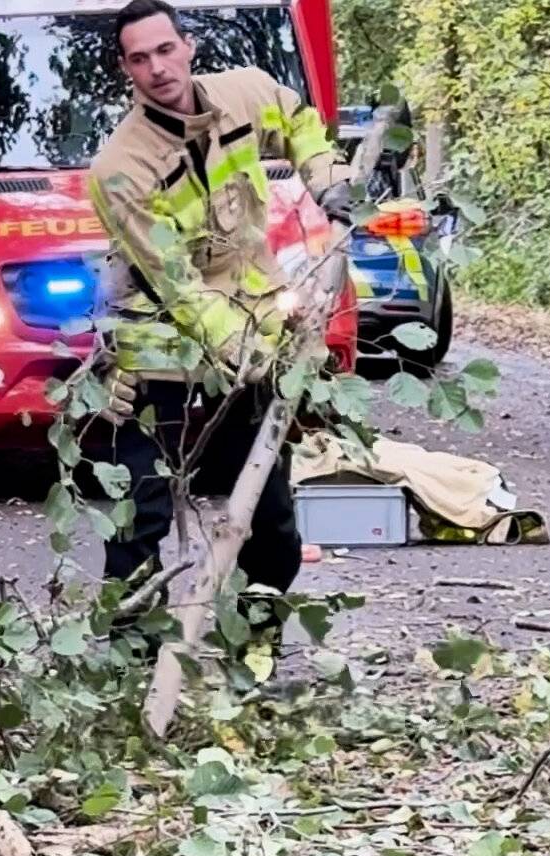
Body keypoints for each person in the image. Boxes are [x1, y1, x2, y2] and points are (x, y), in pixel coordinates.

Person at [84, 0, 352, 656]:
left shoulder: (245, 93)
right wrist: (247, 348)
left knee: (268, 515)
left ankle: (254, 649)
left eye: (164, 50)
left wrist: (330, 180)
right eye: (140, 59)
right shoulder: (120, 169)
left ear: (188, 45)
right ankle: (130, 665)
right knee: (139, 516)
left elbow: (295, 116)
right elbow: (178, 286)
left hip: (255, 327)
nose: (157, 68)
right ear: (126, 69)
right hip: (156, 347)